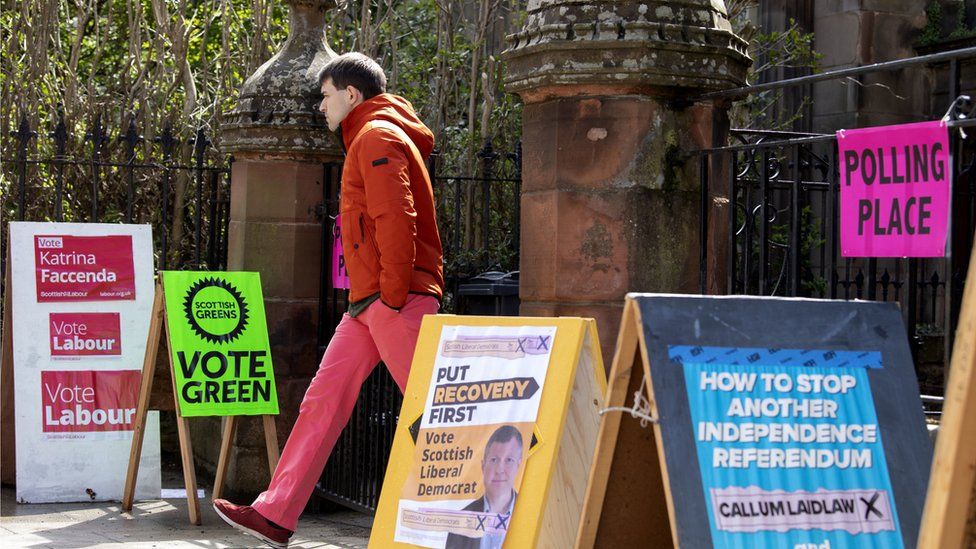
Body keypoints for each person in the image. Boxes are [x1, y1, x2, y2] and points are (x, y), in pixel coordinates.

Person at [213, 52, 444, 549]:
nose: (320, 106)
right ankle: (275, 513)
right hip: (371, 303)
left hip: (391, 300)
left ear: (351, 95)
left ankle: (476, 520)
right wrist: (379, 297)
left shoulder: (375, 136)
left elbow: (395, 219)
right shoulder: (370, 135)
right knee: (321, 402)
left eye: (324, 95)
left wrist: (393, 296)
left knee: (435, 412)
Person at [445, 425, 524, 549]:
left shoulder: (530, 513)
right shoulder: (459, 522)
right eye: (494, 460)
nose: (499, 470)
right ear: (483, 466)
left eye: (509, 460)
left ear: (518, 465)